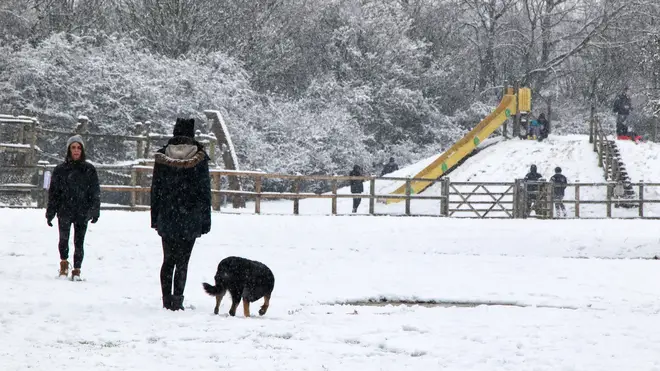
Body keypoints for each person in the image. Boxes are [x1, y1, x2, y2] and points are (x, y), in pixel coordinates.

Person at [151, 118, 211, 311]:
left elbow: (155, 190)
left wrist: (155, 218)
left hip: (167, 215)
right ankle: (178, 300)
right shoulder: (199, 158)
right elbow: (204, 191)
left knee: (167, 260)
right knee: (183, 261)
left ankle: (165, 299)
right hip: (190, 216)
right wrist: (205, 219)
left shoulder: (162, 156)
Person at [46, 135, 100, 281]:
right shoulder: (60, 170)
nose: (76, 150)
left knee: (79, 242)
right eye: (73, 147)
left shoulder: (89, 170)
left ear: (82, 150)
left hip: (82, 211)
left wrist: (95, 210)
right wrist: (50, 211)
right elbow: (54, 193)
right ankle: (64, 265)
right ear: (69, 150)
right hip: (64, 210)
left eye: (79, 148)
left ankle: (77, 270)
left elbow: (95, 192)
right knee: (63, 239)